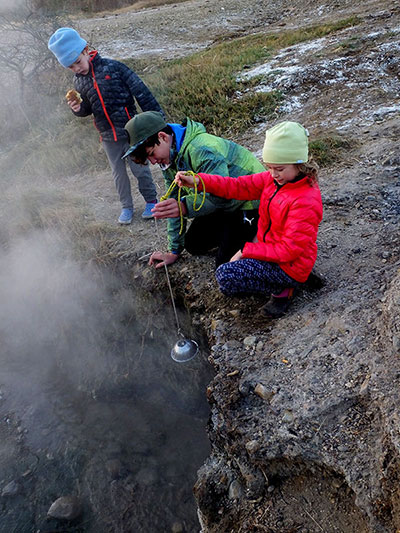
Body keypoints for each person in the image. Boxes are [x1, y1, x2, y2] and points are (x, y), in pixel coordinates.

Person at [175, 121, 323, 318]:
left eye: (279, 168)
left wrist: (247, 250)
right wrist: (198, 181)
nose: (272, 174)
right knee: (227, 281)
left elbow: (289, 249)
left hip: (289, 262)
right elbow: (235, 186)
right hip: (271, 250)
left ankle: (286, 287)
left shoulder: (306, 200)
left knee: (226, 276)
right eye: (269, 167)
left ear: (299, 163)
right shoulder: (273, 180)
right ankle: (289, 281)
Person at [48, 27, 163, 224]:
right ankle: (127, 207)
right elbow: (87, 109)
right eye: (71, 67)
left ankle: (151, 201)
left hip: (131, 132)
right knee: (118, 175)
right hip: (108, 136)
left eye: (77, 62)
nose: (77, 68)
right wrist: (77, 108)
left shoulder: (114, 68)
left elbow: (140, 90)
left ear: (85, 50)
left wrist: (158, 119)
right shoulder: (79, 82)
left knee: (140, 169)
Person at [122, 111, 265, 268]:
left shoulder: (202, 149)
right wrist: (174, 250)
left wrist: (184, 206)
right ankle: (234, 234)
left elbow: (220, 195)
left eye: (151, 154)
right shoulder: (169, 157)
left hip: (253, 203)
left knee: (226, 266)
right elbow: (174, 200)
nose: (153, 161)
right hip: (228, 205)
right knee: (193, 244)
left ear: (163, 137)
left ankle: (260, 237)